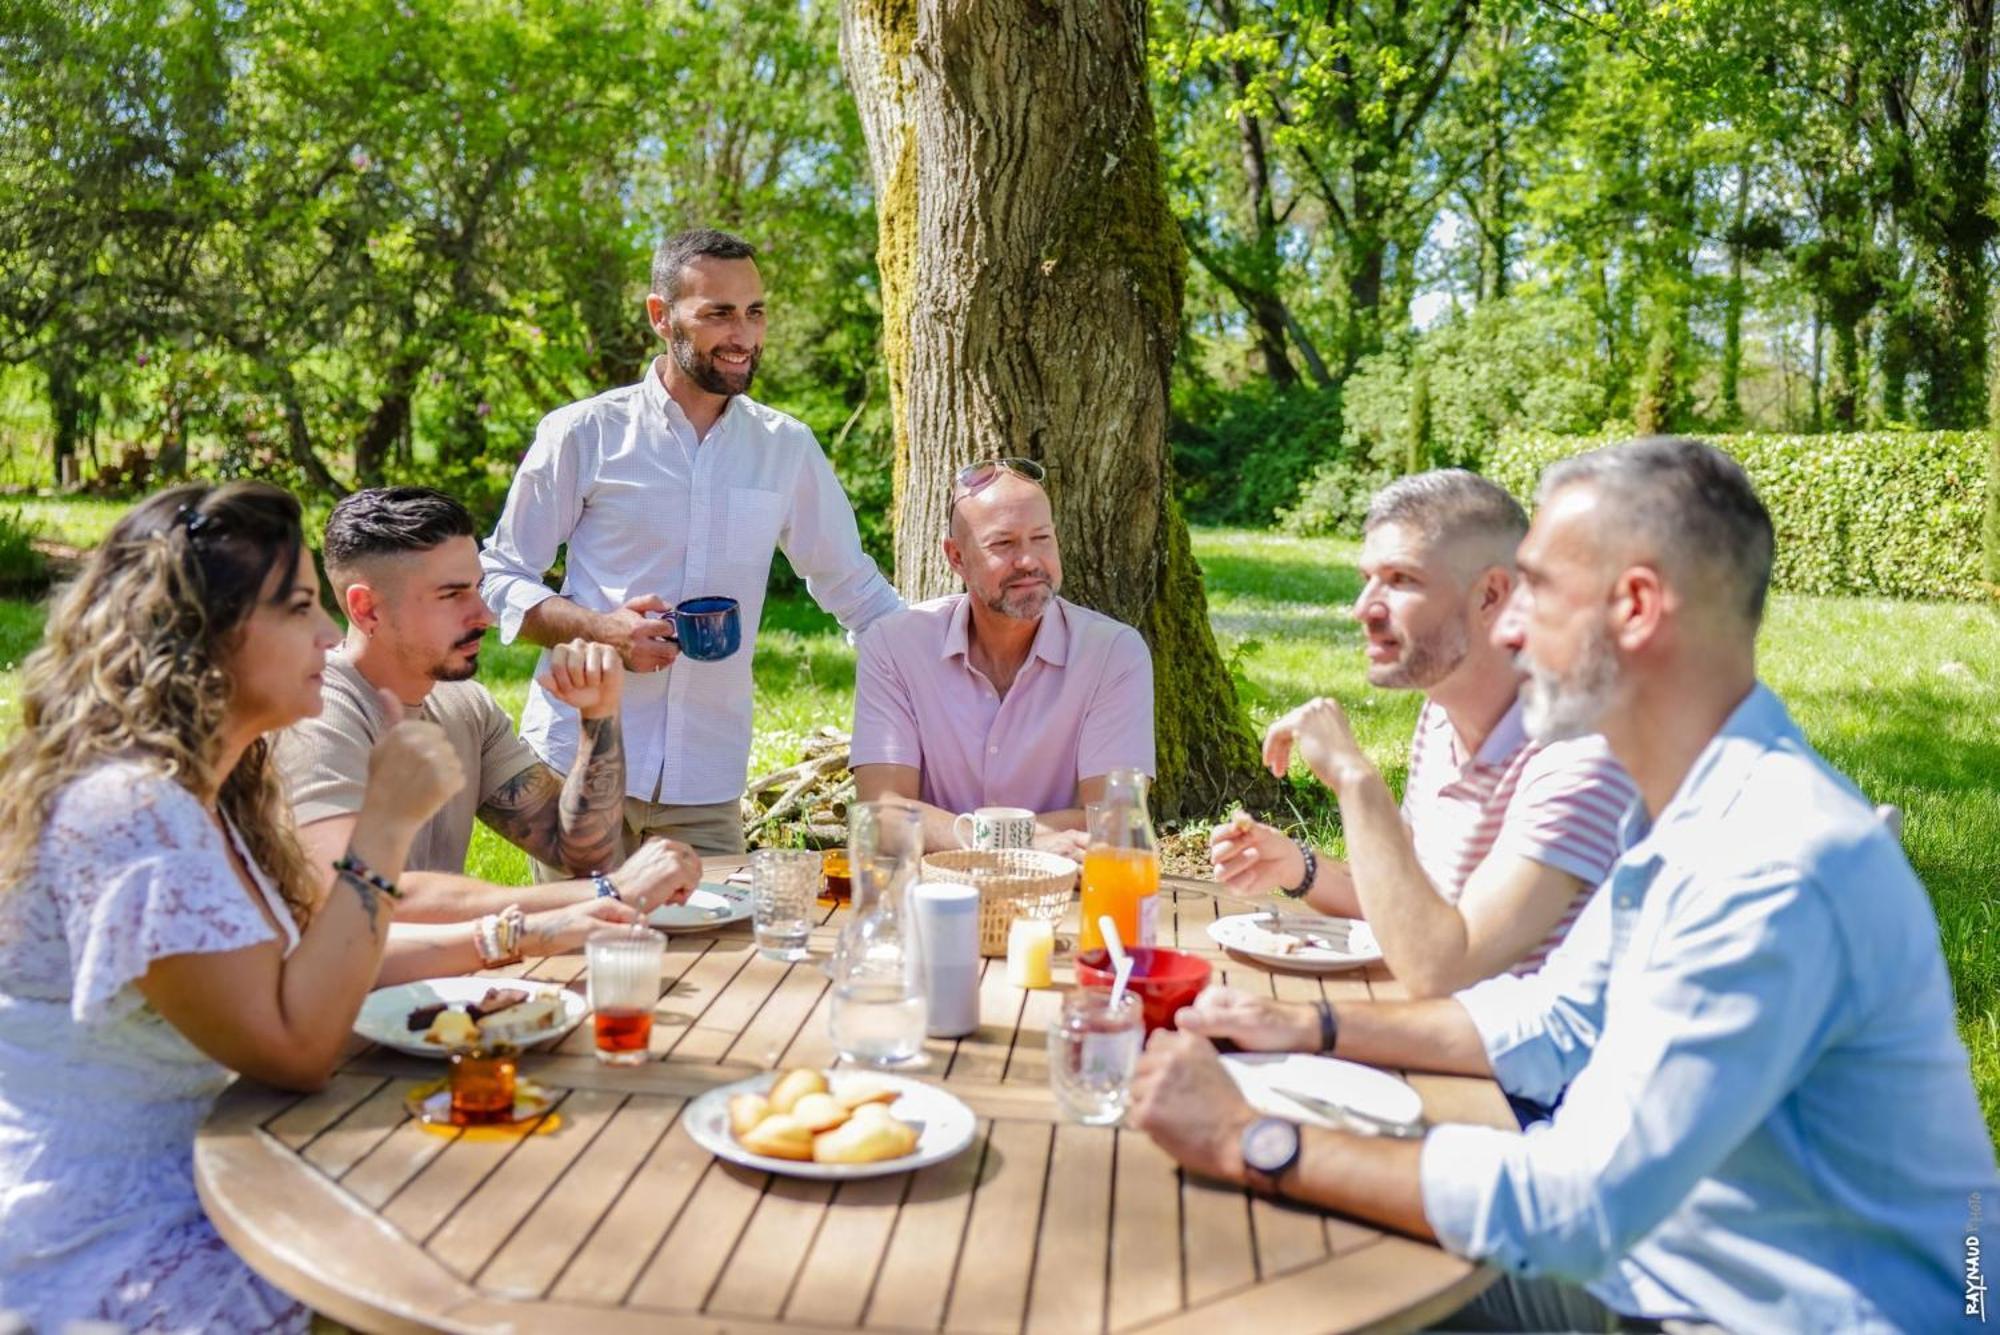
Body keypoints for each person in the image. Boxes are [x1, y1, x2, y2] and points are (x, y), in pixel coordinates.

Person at [1130, 439, 1999, 1332]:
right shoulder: (1687, 808)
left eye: (1535, 590)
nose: (1505, 629)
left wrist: (1249, 1138)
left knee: (1266, 1264)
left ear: (1635, 606)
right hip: (1655, 1265)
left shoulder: (1772, 863)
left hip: (1758, 1311)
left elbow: (1576, 1209)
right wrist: (1306, 1024)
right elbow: (1555, 1019)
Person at [0, 482, 463, 1330]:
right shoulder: (130, 813)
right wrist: (387, 826)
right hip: (109, 1255)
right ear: (201, 636)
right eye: (297, 608)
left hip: (233, 1178)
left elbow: (299, 976)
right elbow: (296, 1046)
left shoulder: (210, 795)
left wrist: (525, 939)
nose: (330, 635)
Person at [479, 227, 903, 856]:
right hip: (582, 762)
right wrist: (604, 631)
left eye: (755, 312)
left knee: (720, 953)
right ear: (661, 316)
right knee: (589, 953)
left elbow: (859, 594)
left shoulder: (786, 448)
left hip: (706, 781)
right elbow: (498, 579)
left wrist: (958, 663)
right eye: (719, 314)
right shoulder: (584, 433)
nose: (743, 335)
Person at [1211, 470, 1636, 996]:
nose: (1363, 608)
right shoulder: (1441, 716)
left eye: (1401, 579)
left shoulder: (1580, 754)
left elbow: (1444, 968)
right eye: (1368, 578)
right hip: (1445, 1036)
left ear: (1491, 596)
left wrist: (1353, 776)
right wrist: (1299, 866)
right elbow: (1410, 906)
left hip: (1519, 1073)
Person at [276, 487, 701, 984]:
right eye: (452, 595)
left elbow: (578, 852)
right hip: (335, 1019)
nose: (484, 614)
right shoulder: (316, 712)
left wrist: (599, 716)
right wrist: (607, 894)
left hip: (439, 1000)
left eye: (477, 588)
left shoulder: (465, 705)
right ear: (367, 609)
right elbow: (358, 898)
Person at [850, 458, 1154, 852]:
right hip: (934, 896)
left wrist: (949, 832)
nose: (1028, 561)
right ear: (956, 557)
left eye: (1041, 538)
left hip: (1065, 896)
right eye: (1003, 543)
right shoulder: (894, 647)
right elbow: (881, 816)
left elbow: (1112, 820)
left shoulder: (1113, 654)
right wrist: (1019, 842)